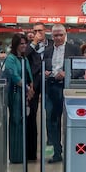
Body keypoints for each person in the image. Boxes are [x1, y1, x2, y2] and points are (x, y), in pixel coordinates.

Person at [43, 24, 81, 163]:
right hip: (51, 87)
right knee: (52, 121)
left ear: (65, 34)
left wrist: (67, 74)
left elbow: (81, 69)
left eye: (61, 35)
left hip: (67, 88)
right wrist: (45, 73)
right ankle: (57, 152)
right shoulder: (47, 51)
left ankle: (73, 151)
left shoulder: (74, 49)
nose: (58, 37)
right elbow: (44, 66)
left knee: (71, 120)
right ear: (51, 36)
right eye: (55, 35)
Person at [3, 33, 34, 163]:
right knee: (16, 121)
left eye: (25, 43)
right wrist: (27, 88)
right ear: (15, 44)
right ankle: (15, 156)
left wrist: (31, 88)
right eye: (21, 43)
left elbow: (29, 74)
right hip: (16, 93)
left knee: (23, 122)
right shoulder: (11, 59)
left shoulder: (24, 59)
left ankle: (23, 153)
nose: (24, 46)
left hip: (25, 94)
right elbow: (14, 77)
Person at [25, 22, 53, 160]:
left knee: (51, 114)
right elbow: (24, 55)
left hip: (50, 82)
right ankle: (31, 151)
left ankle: (53, 147)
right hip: (34, 83)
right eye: (35, 30)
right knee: (31, 115)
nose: (38, 33)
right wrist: (34, 42)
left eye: (40, 30)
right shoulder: (30, 46)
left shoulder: (52, 44)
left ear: (45, 31)